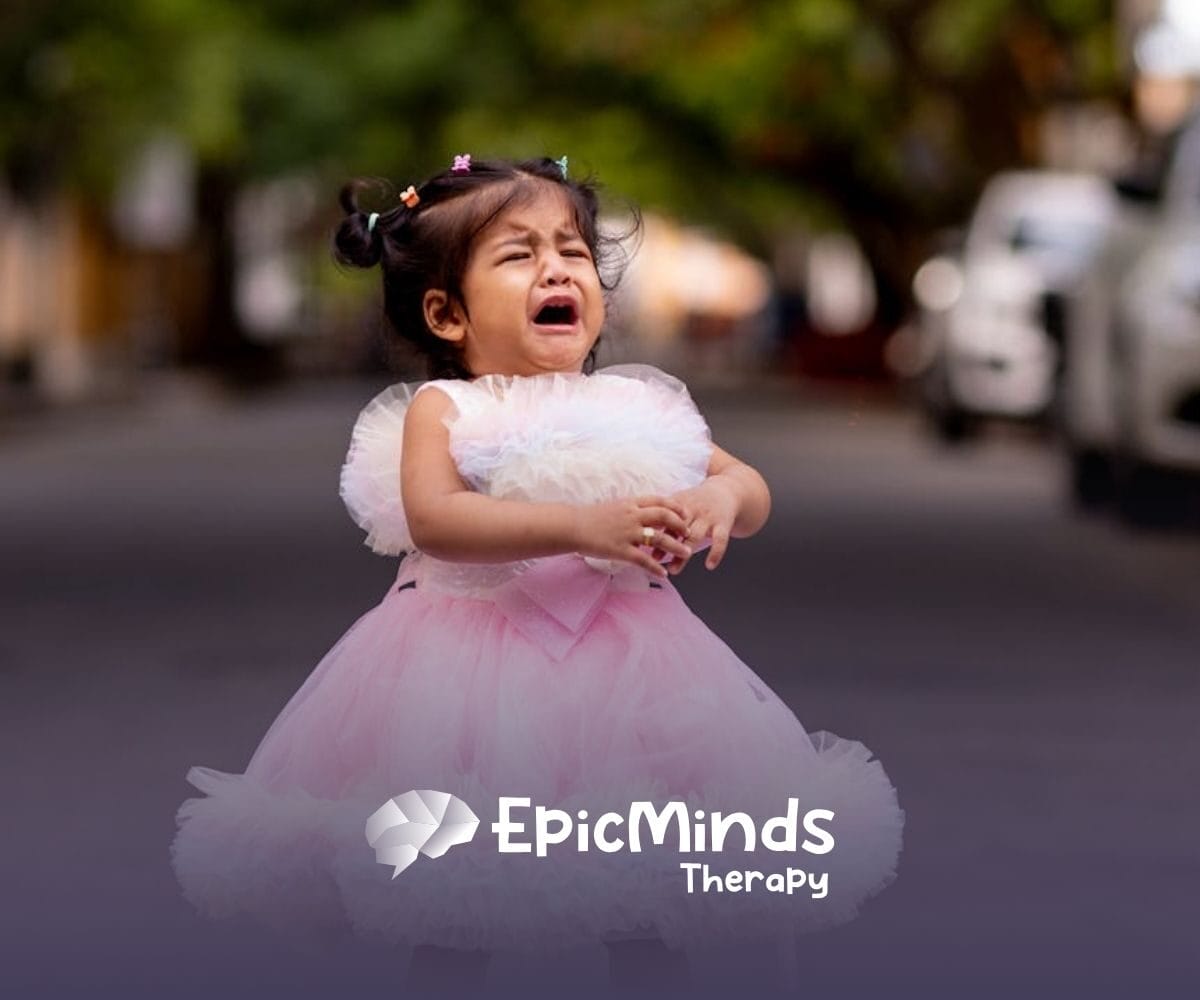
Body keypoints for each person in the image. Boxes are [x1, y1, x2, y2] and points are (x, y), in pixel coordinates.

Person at [170, 155, 904, 996]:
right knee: (455, 890)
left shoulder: (640, 404)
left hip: (642, 686)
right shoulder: (446, 412)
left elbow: (750, 487)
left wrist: (718, 499)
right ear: (447, 314)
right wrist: (578, 526)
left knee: (645, 890)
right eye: (517, 254)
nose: (556, 267)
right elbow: (437, 520)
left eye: (573, 251)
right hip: (463, 684)